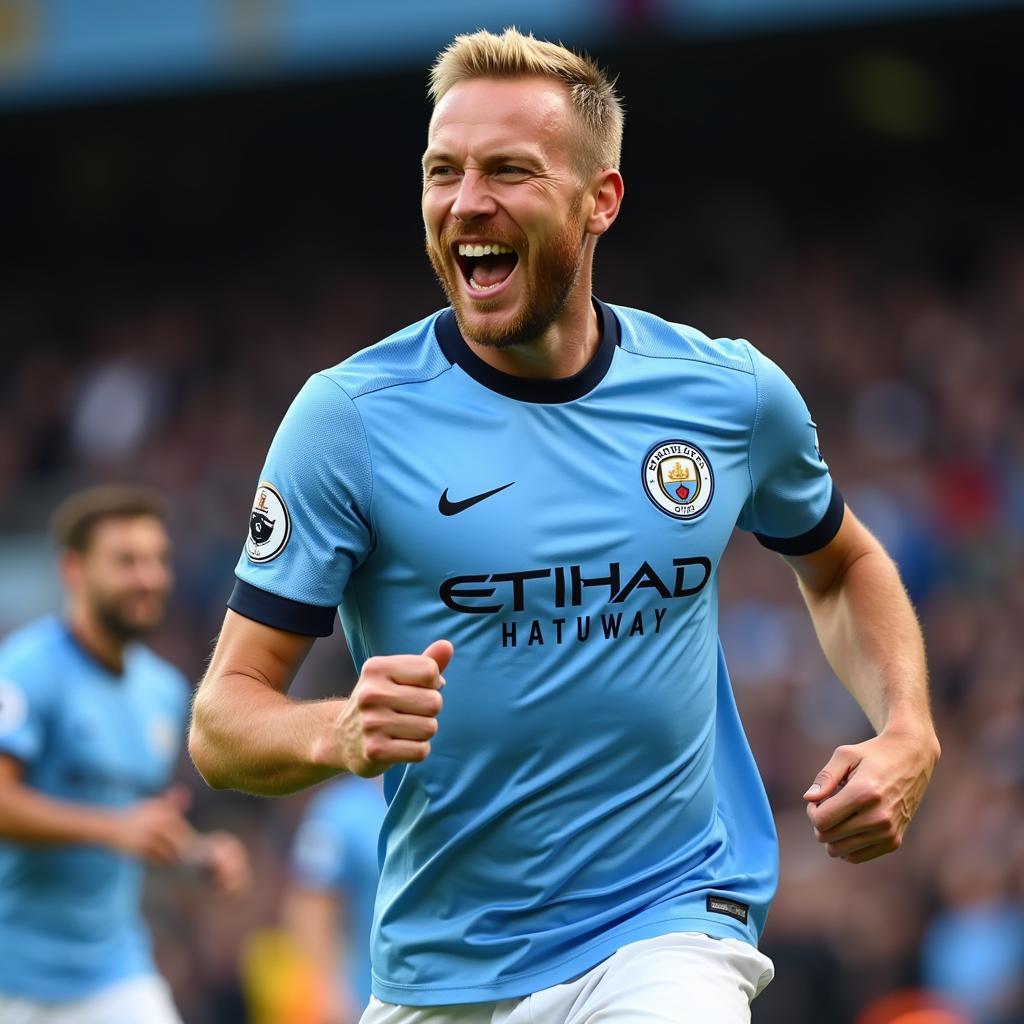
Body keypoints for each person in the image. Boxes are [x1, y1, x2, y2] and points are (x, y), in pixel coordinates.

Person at [189, 27, 940, 1024]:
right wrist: (337, 730)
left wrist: (907, 728)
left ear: (601, 201)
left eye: (508, 170)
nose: (466, 203)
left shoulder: (727, 395)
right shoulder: (349, 420)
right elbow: (220, 723)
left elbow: (839, 565)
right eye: (441, 172)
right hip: (443, 971)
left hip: (668, 926)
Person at [0, 485, 251, 1024]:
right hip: (15, 977)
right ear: (73, 569)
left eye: (158, 560)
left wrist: (198, 855)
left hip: (115, 973)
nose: (149, 577)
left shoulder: (161, 691)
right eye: (127, 561)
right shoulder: (26, 671)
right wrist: (112, 828)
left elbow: (138, 820)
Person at [282, 776, 387, 1024]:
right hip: (361, 1001)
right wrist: (328, 991)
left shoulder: (448, 799)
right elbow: (309, 906)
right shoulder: (339, 811)